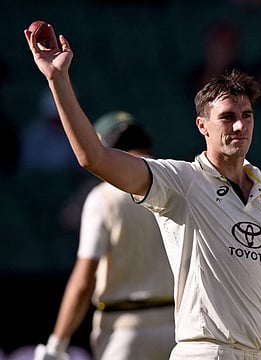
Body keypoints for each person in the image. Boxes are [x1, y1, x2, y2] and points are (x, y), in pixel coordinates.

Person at [24, 23, 261, 359]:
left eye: (246, 116)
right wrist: (58, 80)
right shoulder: (182, 180)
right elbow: (94, 157)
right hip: (203, 352)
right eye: (227, 117)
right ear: (202, 125)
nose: (239, 126)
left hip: (260, 353)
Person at [34, 110, 176, 360]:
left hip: (124, 336)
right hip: (181, 332)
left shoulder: (103, 197)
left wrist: (56, 345)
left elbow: (83, 281)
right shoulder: (179, 187)